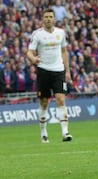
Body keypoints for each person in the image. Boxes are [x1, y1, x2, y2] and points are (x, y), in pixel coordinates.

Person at [27, 8, 73, 143]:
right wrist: (33, 59)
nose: (48, 19)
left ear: (54, 19)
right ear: (42, 19)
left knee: (61, 99)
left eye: (50, 17)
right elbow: (29, 52)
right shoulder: (37, 34)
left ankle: (65, 132)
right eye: (46, 17)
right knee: (44, 102)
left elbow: (64, 51)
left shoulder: (61, 33)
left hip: (58, 70)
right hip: (43, 70)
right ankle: (43, 132)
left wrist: (68, 70)